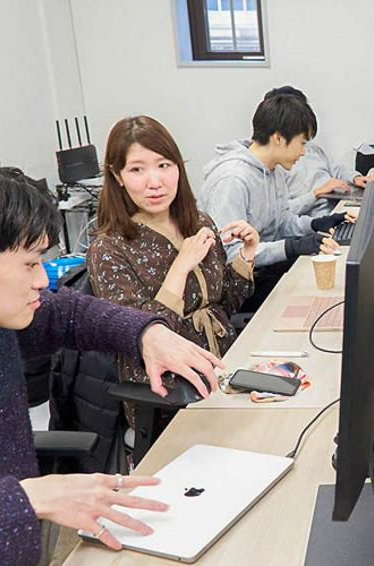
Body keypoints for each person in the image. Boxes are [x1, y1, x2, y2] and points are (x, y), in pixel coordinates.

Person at [0, 153, 225, 563]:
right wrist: (25, 500)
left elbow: (68, 312)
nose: (42, 279)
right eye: (31, 263)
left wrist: (146, 333)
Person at [86, 116, 256, 426]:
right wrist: (180, 267)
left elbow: (224, 304)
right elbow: (141, 334)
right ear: (117, 176)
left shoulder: (199, 223)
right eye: (137, 169)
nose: (154, 182)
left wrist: (246, 255)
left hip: (224, 373)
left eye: (164, 165)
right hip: (168, 395)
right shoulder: (109, 249)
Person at [201, 93, 348, 309]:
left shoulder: (274, 170)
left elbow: (282, 222)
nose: (303, 152)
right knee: (316, 295)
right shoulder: (233, 180)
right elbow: (231, 254)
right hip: (236, 286)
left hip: (262, 269)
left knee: (332, 278)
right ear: (278, 138)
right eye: (302, 143)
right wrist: (292, 247)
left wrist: (318, 224)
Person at [262, 86, 374, 216]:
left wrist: (355, 178)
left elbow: (335, 168)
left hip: (339, 203)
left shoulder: (312, 148)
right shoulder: (276, 165)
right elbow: (279, 216)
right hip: (318, 215)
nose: (302, 152)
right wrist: (316, 193)